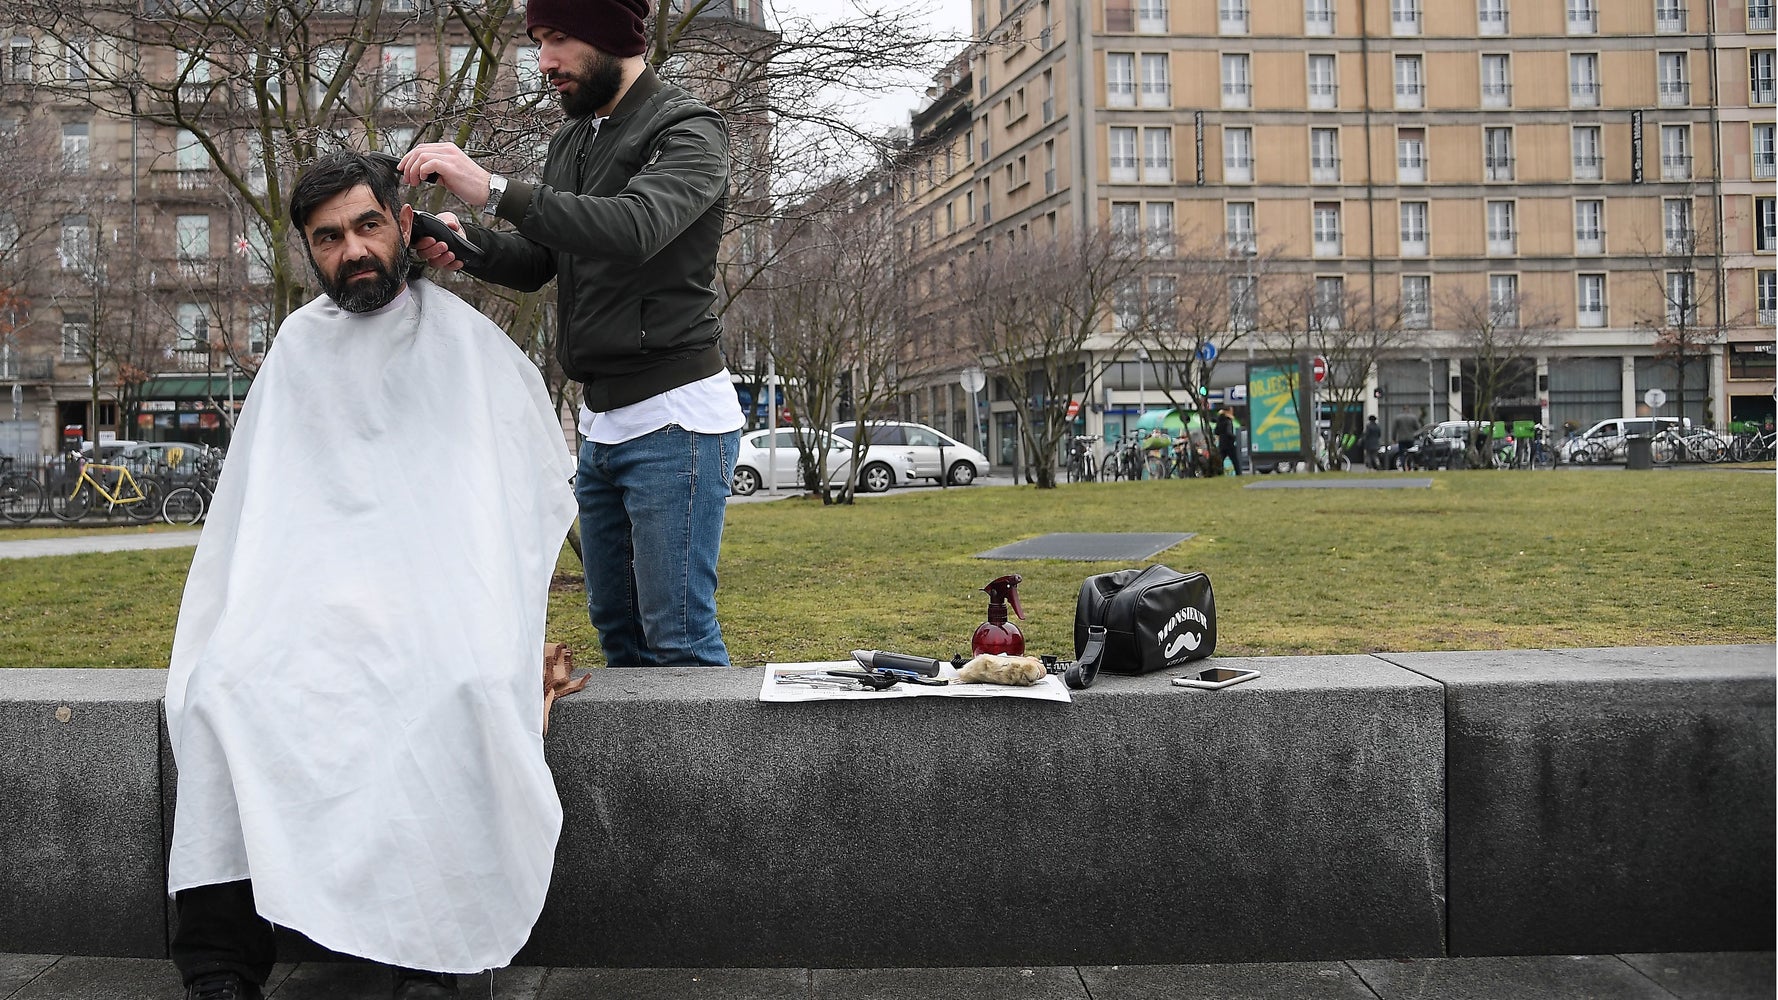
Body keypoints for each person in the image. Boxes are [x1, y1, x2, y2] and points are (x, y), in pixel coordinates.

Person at [163, 151, 577, 1000]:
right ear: (307, 252)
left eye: (366, 225)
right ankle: (218, 966)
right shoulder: (296, 348)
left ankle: (431, 955)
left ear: (403, 222)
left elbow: (511, 496)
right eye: (327, 237)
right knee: (222, 693)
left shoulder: (465, 348)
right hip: (308, 606)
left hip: (433, 608)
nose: (351, 250)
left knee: (448, 690)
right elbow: (264, 514)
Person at [399, 0, 741, 668]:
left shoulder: (691, 129)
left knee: (677, 637)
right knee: (619, 633)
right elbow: (541, 261)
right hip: (603, 426)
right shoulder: (574, 141)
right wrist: (466, 244)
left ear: (613, 36)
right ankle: (645, 775)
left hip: (678, 421)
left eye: (559, 39)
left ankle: (709, 774)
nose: (544, 61)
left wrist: (491, 187)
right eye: (537, 42)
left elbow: (634, 228)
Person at [1390, 405, 1420, 471]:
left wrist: (1394, 438)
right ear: (1409, 409)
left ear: (1402, 410)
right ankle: (1411, 465)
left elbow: (1394, 429)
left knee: (1402, 454)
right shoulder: (1413, 418)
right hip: (1410, 438)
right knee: (1411, 453)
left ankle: (1404, 467)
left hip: (1401, 439)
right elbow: (1418, 428)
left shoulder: (1398, 418)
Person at [1214, 408, 1241, 476]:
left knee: (1221, 460)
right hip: (1229, 444)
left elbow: (1216, 432)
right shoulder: (1228, 421)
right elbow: (1229, 432)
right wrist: (1234, 437)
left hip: (1222, 444)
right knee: (1235, 460)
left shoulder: (1219, 421)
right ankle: (1238, 474)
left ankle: (1219, 473)